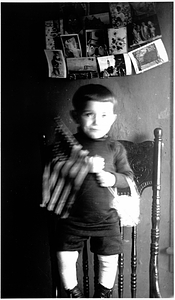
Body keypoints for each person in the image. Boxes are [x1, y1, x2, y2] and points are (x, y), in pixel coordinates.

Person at [53, 84, 134, 297]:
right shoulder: (67, 144)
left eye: (104, 115)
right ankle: (73, 292)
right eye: (90, 114)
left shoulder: (115, 148)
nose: (98, 121)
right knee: (65, 257)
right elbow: (55, 169)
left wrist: (111, 178)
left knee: (109, 260)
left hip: (106, 219)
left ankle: (103, 294)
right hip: (71, 218)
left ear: (113, 118)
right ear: (76, 116)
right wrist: (81, 166)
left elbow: (128, 180)